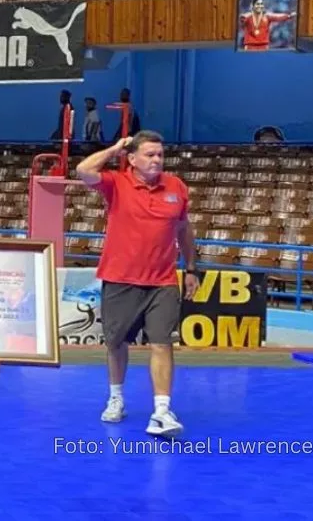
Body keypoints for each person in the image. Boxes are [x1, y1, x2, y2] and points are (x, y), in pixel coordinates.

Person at [75, 131, 198, 438]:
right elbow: (83, 171)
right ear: (132, 159)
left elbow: (183, 230)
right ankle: (116, 397)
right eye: (149, 154)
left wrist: (193, 267)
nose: (156, 159)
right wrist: (115, 147)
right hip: (120, 278)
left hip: (163, 281)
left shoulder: (176, 188)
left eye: (160, 154)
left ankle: (161, 410)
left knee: (162, 342)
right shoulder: (116, 183)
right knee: (117, 343)